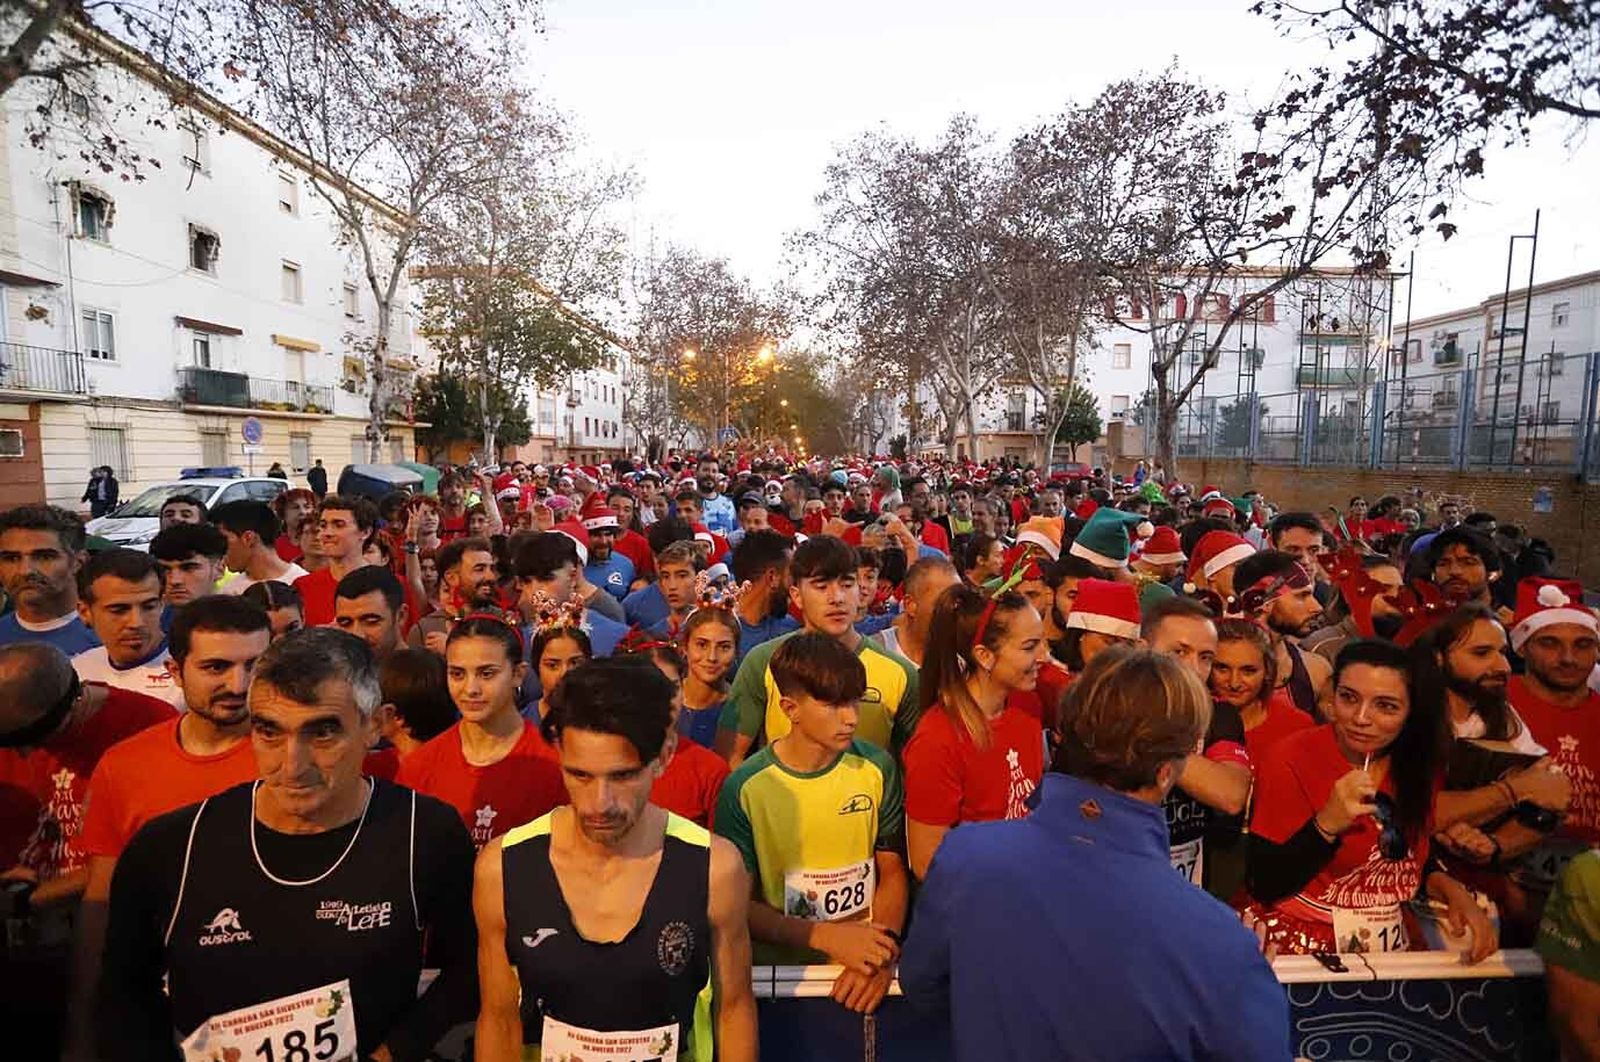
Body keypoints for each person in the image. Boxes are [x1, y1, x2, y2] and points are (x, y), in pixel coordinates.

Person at [95, 628, 477, 1061]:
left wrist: (392, 1052)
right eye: (270, 732)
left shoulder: (425, 832)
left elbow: (472, 970)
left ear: (374, 726)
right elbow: (123, 996)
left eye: (323, 733)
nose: (293, 766)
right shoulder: (171, 845)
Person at [899, 646, 1293, 1062]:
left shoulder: (968, 857)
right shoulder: (1220, 942)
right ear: (1166, 773)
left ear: (1065, 735)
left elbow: (923, 984)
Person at [473, 656, 757, 1062]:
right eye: (580, 775)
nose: (599, 804)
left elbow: (733, 1010)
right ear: (558, 753)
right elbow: (499, 1018)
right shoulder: (503, 867)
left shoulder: (714, 867)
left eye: (623, 776)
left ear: (664, 755)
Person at [62, 596, 272, 1062]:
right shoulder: (125, 765)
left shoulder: (296, 763)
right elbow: (102, 901)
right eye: (216, 667)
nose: (238, 684)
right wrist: (83, 1027)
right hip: (158, 1007)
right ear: (176, 672)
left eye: (254, 665)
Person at [1245, 639, 1494, 959]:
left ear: (1411, 712)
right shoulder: (1290, 758)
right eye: (1349, 698)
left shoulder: (1420, 765)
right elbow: (1263, 882)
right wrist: (1325, 826)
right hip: (1298, 948)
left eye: (1385, 706)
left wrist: (1448, 888)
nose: (1361, 718)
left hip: (1391, 945)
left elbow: (1398, 857)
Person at [714, 633, 909, 1014]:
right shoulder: (745, 788)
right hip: (781, 982)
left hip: (859, 977)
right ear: (790, 708)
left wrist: (877, 952)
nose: (851, 717)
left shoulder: (878, 768)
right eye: (833, 705)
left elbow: (892, 871)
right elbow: (737, 905)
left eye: (854, 701)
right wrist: (827, 937)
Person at [716, 535, 919, 767]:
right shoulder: (764, 661)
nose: (837, 598)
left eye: (847, 584)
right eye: (821, 586)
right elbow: (729, 757)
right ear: (796, 596)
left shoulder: (900, 673)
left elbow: (913, 768)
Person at [0, 643, 172, 904]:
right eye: (8, 741)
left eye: (33, 736)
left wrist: (37, 895)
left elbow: (152, 852)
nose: (23, 753)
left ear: (72, 702)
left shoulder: (149, 726)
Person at [903, 585, 1046, 878]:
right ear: (984, 656)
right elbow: (926, 862)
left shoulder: (1027, 704)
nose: (1044, 656)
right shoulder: (937, 739)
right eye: (1030, 646)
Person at [399, 617, 566, 849]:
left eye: (486, 674)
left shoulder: (554, 765)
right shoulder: (419, 767)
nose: (471, 689)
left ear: (518, 674)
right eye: (457, 674)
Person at [1505, 578, 1600, 894]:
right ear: (1523, 646)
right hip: (1498, 883)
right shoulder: (1495, 706)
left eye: (1583, 645)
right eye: (1550, 643)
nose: (1568, 658)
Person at [627, 641, 733, 828]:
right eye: (649, 688)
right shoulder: (592, 764)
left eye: (673, 687)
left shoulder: (711, 771)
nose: (664, 698)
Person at [70, 549, 182, 708]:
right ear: (84, 612)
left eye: (148, 607)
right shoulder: (76, 671)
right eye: (119, 610)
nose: (136, 623)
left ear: (162, 604)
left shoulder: (192, 673)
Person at [1232, 549, 1330, 716]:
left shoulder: (1317, 670)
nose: (1317, 607)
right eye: (1302, 596)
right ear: (1261, 602)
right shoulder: (1215, 670)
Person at [1212, 619, 1314, 767]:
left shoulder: (1297, 727)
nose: (1234, 683)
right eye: (1222, 668)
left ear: (1267, 671)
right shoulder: (1190, 726)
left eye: (1248, 671)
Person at [0, 504, 99, 656]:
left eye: (44, 557)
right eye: (11, 558)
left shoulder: (113, 638)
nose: (25, 571)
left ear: (79, 562)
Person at [292, 494, 378, 627]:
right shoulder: (303, 587)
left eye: (338, 525)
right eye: (323, 525)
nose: (327, 533)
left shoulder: (392, 584)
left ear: (365, 532)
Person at [407, 536, 500, 651]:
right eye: (479, 569)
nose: (491, 577)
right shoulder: (425, 630)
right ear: (451, 578)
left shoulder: (501, 622)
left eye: (491, 569)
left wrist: (452, 648)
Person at [727, 528, 799, 664]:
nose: (795, 583)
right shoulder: (714, 629)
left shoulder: (792, 630)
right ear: (772, 577)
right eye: (792, 574)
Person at [876, 555, 960, 666]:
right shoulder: (877, 654)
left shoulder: (961, 661)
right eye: (943, 603)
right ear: (910, 605)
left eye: (958, 604)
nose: (953, 611)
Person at [212, 500, 308, 595]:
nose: (220, 549)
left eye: (224, 540)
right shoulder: (229, 593)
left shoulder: (305, 586)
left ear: (248, 538)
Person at [679, 607, 739, 747]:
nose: (712, 657)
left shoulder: (742, 708)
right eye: (702, 645)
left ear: (736, 651)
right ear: (685, 647)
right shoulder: (662, 701)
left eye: (724, 647)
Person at [333, 565, 411, 662]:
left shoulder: (428, 675)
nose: (357, 634)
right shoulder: (331, 673)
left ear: (401, 616)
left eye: (371, 622)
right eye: (345, 624)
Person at [149, 522, 229, 607]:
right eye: (164, 569)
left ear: (220, 568)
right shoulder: (148, 617)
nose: (175, 581)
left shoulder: (239, 618)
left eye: (189, 568)